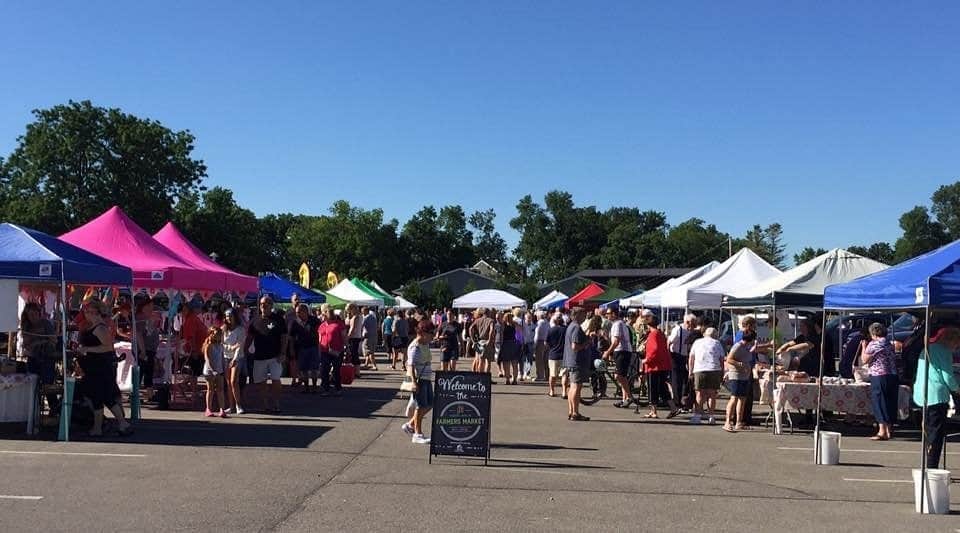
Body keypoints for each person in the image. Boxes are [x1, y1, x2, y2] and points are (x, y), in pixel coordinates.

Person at [77, 299, 133, 437]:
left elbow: (108, 347)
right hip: (92, 368)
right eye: (85, 311)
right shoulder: (91, 326)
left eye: (89, 311)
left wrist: (87, 349)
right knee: (97, 395)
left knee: (102, 396)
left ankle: (108, 426)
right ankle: (113, 424)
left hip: (100, 368)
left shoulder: (100, 328)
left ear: (96, 312)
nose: (86, 313)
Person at [914, 326, 960, 468]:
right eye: (957, 344)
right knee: (936, 434)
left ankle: (929, 464)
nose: (956, 347)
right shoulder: (944, 351)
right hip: (936, 396)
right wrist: (957, 389)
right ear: (951, 340)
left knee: (928, 432)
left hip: (922, 394)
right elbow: (947, 376)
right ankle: (932, 466)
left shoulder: (927, 349)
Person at [243, 296, 287, 413]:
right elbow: (249, 337)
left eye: (266, 303)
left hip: (275, 356)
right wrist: (245, 350)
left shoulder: (279, 319)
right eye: (262, 303)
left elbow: (284, 337)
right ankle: (265, 405)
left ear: (271, 305)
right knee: (261, 382)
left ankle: (276, 403)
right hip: (259, 356)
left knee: (275, 380)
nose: (263, 305)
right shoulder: (254, 320)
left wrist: (283, 352)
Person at [861, 322, 898, 440]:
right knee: (889, 402)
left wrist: (863, 347)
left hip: (879, 375)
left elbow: (864, 359)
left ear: (873, 333)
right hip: (892, 375)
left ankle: (882, 430)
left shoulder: (874, 344)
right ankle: (889, 429)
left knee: (879, 401)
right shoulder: (889, 343)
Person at [19, 302, 59, 412]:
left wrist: (38, 342)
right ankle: (34, 411)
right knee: (32, 385)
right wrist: (38, 343)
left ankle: (55, 409)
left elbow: (54, 340)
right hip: (33, 359)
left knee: (47, 385)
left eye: (35, 314)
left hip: (47, 359)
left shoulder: (46, 323)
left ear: (39, 313)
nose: (33, 317)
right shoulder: (26, 326)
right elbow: (26, 345)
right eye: (30, 315)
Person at [402, 320, 436, 444]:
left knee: (430, 403)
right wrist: (414, 383)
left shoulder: (425, 344)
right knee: (421, 406)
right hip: (420, 380)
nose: (433, 336)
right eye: (431, 333)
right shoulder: (415, 347)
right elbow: (410, 366)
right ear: (422, 333)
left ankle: (410, 425)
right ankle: (417, 433)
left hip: (426, 378)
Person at [642, 313, 678, 419]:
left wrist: (647, 360)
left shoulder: (653, 334)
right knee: (662, 388)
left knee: (653, 388)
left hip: (654, 366)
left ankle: (654, 411)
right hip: (662, 365)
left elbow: (654, 350)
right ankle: (673, 407)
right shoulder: (660, 333)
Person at [689, 327, 725, 425]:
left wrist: (690, 371)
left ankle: (697, 416)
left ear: (705, 334)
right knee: (712, 394)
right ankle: (711, 416)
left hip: (700, 369)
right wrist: (722, 372)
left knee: (699, 394)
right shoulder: (717, 343)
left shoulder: (697, 342)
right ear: (715, 335)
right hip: (714, 369)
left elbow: (691, 357)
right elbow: (722, 359)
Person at [724, 330, 757, 432]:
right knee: (734, 398)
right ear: (751, 339)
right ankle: (727, 422)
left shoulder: (747, 347)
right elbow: (729, 359)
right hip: (736, 376)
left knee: (742, 399)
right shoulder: (737, 346)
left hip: (745, 376)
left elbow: (748, 354)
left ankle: (739, 422)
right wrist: (740, 365)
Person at [562, 307, 591, 421]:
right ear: (578, 315)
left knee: (572, 387)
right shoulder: (576, 328)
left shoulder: (571, 326)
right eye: (583, 315)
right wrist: (586, 343)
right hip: (576, 361)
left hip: (571, 360)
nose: (584, 317)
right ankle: (575, 412)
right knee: (576, 387)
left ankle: (571, 411)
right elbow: (575, 346)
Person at [603, 308, 635, 408]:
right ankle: (624, 399)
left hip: (622, 351)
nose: (606, 315)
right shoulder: (617, 324)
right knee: (622, 376)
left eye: (608, 313)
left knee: (619, 376)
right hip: (620, 351)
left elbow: (616, 341)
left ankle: (629, 397)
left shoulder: (618, 324)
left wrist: (607, 352)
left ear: (614, 314)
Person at [289, 303, 321, 393]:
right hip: (301, 348)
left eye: (299, 312)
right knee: (303, 369)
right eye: (296, 312)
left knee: (314, 368)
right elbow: (291, 337)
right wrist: (291, 349)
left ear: (305, 312)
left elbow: (321, 333)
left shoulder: (315, 320)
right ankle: (306, 387)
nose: (297, 314)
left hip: (313, 347)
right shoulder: (295, 322)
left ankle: (314, 387)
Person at [668, 314, 697, 412]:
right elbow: (669, 342)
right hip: (675, 356)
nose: (693, 327)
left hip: (684, 356)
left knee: (685, 380)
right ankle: (676, 402)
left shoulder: (689, 331)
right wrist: (668, 355)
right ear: (687, 322)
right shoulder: (678, 330)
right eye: (693, 324)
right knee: (676, 381)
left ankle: (683, 400)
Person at [318, 304, 347, 396]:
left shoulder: (339, 323)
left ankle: (338, 388)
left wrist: (346, 348)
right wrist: (319, 350)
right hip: (324, 351)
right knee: (324, 370)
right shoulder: (321, 326)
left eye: (323, 314)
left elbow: (344, 337)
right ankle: (326, 389)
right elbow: (319, 339)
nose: (321, 316)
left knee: (336, 370)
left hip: (337, 350)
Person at [133, 298, 159, 398]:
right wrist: (143, 351)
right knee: (143, 371)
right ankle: (137, 395)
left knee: (148, 371)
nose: (151, 308)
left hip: (149, 349)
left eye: (152, 306)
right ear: (143, 307)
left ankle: (149, 394)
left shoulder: (147, 318)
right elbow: (139, 335)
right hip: (144, 349)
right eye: (149, 306)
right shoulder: (140, 318)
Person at [222, 308, 246, 414]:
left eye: (230, 316)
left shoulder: (240, 329)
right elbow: (221, 343)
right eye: (227, 316)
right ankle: (231, 406)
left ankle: (238, 405)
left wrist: (235, 358)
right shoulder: (224, 329)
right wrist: (229, 347)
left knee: (233, 381)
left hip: (237, 357)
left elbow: (240, 345)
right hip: (225, 357)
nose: (229, 318)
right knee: (228, 383)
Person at [202, 327, 228, 418]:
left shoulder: (221, 346)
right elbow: (207, 359)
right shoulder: (209, 345)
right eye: (216, 334)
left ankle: (222, 409)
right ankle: (208, 409)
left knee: (220, 389)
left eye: (220, 334)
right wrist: (212, 370)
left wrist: (224, 369)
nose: (218, 336)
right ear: (211, 334)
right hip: (209, 371)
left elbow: (222, 359)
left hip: (219, 370)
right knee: (210, 389)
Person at [180, 301, 207, 378]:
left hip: (199, 349)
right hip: (195, 350)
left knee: (196, 372)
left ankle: (190, 386)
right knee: (194, 372)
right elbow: (190, 337)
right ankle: (193, 388)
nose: (182, 312)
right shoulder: (191, 319)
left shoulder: (193, 318)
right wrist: (194, 350)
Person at [471, 308, 496, 378]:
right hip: (487, 341)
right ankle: (486, 378)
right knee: (488, 361)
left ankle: (480, 377)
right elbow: (491, 330)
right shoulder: (491, 321)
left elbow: (470, 329)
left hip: (480, 341)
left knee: (481, 360)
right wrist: (490, 340)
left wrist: (473, 340)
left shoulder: (478, 320)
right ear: (489, 313)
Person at [546, 315, 566, 397]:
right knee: (564, 374)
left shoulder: (551, 330)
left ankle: (552, 391)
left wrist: (551, 347)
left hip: (553, 354)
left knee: (552, 374)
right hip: (564, 355)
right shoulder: (566, 330)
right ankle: (564, 392)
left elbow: (546, 343)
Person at [284, 294, 302, 386]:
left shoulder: (303, 311)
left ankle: (299, 377)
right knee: (292, 359)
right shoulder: (289, 312)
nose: (297, 301)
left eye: (298, 299)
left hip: (301, 339)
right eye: (295, 299)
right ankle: (294, 378)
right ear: (292, 301)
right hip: (291, 338)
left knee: (300, 359)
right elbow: (285, 325)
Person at [498, 311, 521, 384]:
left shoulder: (503, 325)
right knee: (514, 363)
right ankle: (514, 380)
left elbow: (501, 335)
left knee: (506, 363)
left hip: (506, 344)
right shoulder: (515, 324)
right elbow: (520, 333)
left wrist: (500, 345)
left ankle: (507, 379)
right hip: (514, 344)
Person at [533, 311, 550, 382]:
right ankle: (547, 376)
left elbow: (537, 335)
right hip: (547, 342)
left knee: (539, 360)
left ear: (539, 316)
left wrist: (534, 345)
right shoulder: (547, 322)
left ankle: (540, 376)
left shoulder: (539, 323)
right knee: (546, 361)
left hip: (540, 342)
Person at [361, 307, 379, 371]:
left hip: (368, 337)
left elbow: (361, 326)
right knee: (371, 351)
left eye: (362, 311)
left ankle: (374, 365)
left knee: (369, 352)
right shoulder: (373, 318)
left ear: (365, 311)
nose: (362, 313)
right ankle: (366, 364)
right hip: (374, 336)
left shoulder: (365, 318)